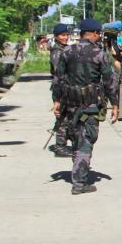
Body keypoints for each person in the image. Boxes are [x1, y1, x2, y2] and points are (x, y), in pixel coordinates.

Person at [52, 18, 119, 195]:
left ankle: (78, 172)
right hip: (89, 106)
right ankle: (79, 183)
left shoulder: (67, 51)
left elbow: (58, 79)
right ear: (95, 33)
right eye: (99, 34)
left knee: (76, 138)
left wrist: (56, 101)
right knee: (86, 141)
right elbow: (109, 81)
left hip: (70, 105)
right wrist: (115, 104)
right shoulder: (99, 53)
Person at [49, 23, 74, 157]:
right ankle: (60, 146)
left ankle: (63, 143)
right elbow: (59, 72)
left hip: (66, 87)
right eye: (62, 35)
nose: (65, 37)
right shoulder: (57, 51)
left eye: (66, 35)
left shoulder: (64, 49)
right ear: (56, 37)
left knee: (68, 116)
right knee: (63, 117)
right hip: (61, 88)